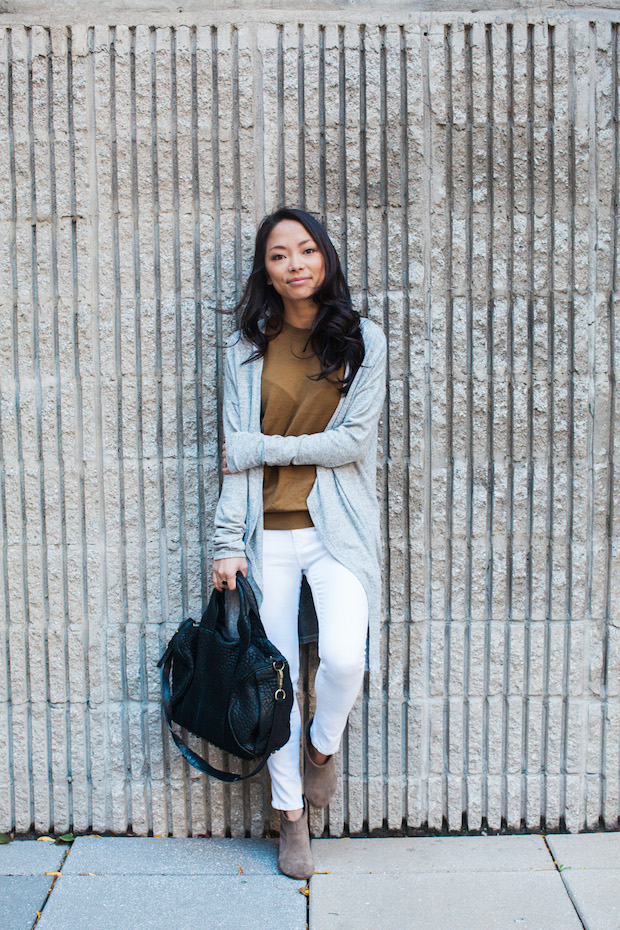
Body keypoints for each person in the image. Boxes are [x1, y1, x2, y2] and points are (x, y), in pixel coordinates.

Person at [211, 207, 386, 879]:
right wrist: (229, 542)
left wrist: (262, 448)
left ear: (325, 257)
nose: (294, 265)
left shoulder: (363, 339)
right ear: (267, 269)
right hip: (266, 540)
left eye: (305, 250)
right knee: (275, 683)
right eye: (279, 255)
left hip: (336, 531)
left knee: (343, 657)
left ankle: (321, 749)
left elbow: (353, 442)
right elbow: (233, 460)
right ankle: (291, 819)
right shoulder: (244, 347)